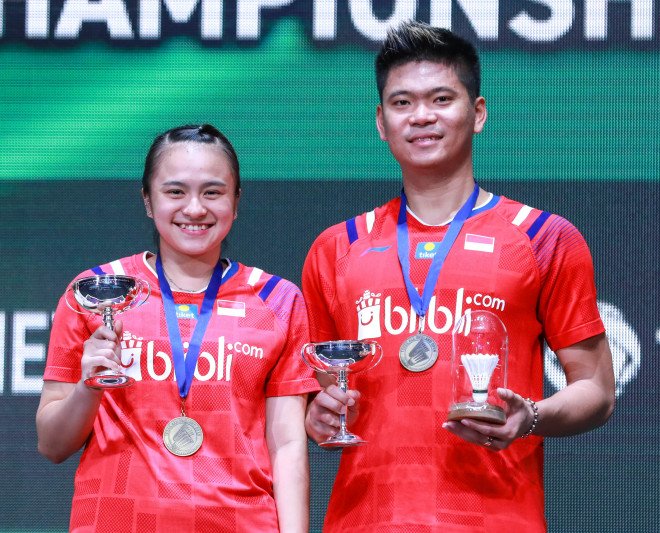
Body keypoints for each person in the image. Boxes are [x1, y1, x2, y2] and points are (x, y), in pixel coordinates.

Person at [302, 21, 616, 532]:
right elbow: (321, 400)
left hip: (497, 518)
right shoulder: (338, 247)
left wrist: (528, 419)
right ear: (381, 122)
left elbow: (598, 391)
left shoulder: (542, 237)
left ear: (478, 113)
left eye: (441, 98)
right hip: (365, 520)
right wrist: (317, 416)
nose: (421, 116)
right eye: (402, 103)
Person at [36, 124, 318, 532]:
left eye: (213, 192)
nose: (195, 208)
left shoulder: (277, 298)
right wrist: (88, 387)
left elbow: (288, 447)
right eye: (175, 192)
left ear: (236, 202)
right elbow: (52, 445)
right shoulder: (95, 293)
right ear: (148, 201)